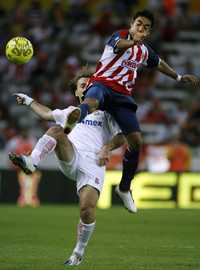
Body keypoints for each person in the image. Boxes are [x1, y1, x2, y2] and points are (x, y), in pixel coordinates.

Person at [61, 10, 199, 209]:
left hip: (122, 97)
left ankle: (124, 188)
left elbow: (158, 63)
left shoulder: (144, 52)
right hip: (102, 84)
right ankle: (74, 119)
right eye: (139, 24)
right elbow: (119, 46)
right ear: (132, 24)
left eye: (146, 27)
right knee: (91, 102)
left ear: (149, 32)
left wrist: (178, 77)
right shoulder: (119, 36)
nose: (141, 28)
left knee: (136, 142)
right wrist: (134, 40)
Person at [9, 70, 133, 266]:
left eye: (89, 83)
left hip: (94, 163)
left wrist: (107, 148)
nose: (86, 85)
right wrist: (28, 101)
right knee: (57, 130)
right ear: (76, 92)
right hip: (72, 155)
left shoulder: (107, 113)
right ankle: (32, 161)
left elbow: (123, 135)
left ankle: (78, 252)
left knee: (87, 209)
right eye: (81, 84)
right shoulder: (69, 112)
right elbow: (46, 112)